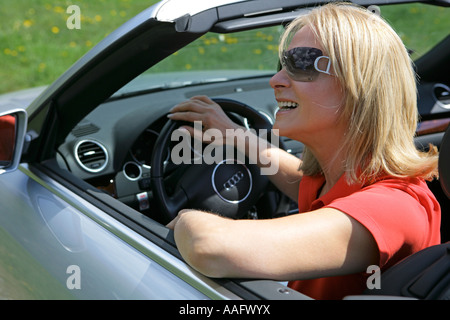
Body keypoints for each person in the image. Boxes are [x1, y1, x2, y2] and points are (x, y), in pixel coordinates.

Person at [166, 2, 441, 300]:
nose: (276, 80)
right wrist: (235, 135)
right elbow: (299, 177)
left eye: (301, 63)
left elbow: (209, 246)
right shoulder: (339, 177)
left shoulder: (392, 207)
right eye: (281, 65)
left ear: (361, 85)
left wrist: (181, 219)